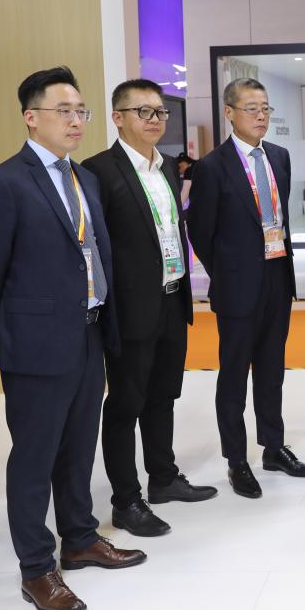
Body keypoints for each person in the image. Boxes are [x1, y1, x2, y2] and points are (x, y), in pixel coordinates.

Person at [0, 67, 145, 610]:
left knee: (78, 446)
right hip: (35, 343)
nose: (75, 121)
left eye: (80, 111)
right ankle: (36, 567)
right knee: (34, 457)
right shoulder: (4, 183)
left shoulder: (84, 178)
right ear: (30, 117)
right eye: (63, 111)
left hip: (88, 332)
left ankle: (80, 537)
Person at [83, 80, 216, 537]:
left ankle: (163, 477)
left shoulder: (167, 168)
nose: (155, 119)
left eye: (160, 112)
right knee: (126, 404)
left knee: (163, 395)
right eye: (144, 111)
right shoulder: (98, 171)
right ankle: (126, 500)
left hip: (171, 298)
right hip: (130, 308)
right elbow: (96, 245)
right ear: (118, 118)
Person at [188, 76, 305, 501]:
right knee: (233, 375)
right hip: (237, 286)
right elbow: (200, 231)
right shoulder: (212, 167)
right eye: (252, 108)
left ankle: (273, 447)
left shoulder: (278, 156)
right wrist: (228, 273)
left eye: (265, 109)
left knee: (272, 369)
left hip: (277, 276)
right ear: (229, 113)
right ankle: (236, 460)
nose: (261, 116)